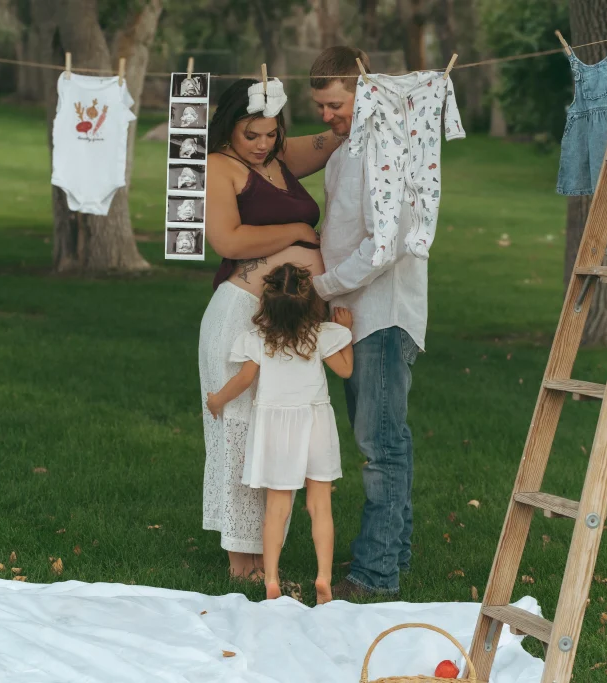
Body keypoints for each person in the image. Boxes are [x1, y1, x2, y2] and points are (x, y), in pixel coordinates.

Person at [198, 78, 345, 582]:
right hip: (240, 314)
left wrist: (358, 100)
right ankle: (244, 562)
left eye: (271, 134)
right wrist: (300, 233)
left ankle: (266, 559)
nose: (263, 144)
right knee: (241, 430)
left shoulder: (278, 158)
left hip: (284, 319)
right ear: (228, 130)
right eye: (251, 135)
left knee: (272, 433)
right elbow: (228, 238)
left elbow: (333, 137)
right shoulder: (219, 166)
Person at [309, 46, 428, 598]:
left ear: (363, 89)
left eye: (334, 103)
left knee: (380, 444)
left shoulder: (386, 146)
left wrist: (322, 287)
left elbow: (385, 246)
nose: (326, 115)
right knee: (381, 439)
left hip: (382, 315)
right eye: (320, 106)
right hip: (354, 315)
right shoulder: (344, 151)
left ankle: (376, 572)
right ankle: (394, 554)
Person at [206, 264, 354, 604]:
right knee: (320, 506)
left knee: (277, 507)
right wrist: (347, 333)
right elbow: (345, 370)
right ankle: (324, 579)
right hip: (315, 422)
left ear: (266, 306)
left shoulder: (258, 340)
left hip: (275, 428)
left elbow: (243, 381)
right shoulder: (321, 335)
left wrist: (217, 400)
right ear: (311, 304)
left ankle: (271, 578)